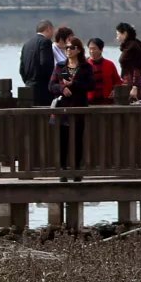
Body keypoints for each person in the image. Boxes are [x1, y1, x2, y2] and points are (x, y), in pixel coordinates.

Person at [50, 36, 96, 178]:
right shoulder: (61, 66)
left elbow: (91, 85)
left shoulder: (85, 67)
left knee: (77, 139)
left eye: (71, 48)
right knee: (62, 139)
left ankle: (77, 170)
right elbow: (51, 85)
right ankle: (62, 170)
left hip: (79, 106)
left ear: (78, 50)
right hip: (63, 107)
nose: (68, 50)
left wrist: (74, 84)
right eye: (66, 48)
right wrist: (62, 88)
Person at [20, 20, 55, 105]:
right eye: (52, 30)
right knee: (44, 116)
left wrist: (28, 82)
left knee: (31, 117)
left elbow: (22, 68)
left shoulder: (26, 44)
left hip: (28, 88)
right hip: (43, 88)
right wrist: (52, 82)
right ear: (48, 29)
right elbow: (46, 64)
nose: (53, 33)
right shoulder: (45, 42)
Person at [115, 22, 141, 98]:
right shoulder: (136, 43)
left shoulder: (132, 47)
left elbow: (137, 67)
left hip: (132, 82)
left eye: (118, 34)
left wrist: (135, 86)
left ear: (125, 34)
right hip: (131, 81)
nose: (117, 37)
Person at [85, 38, 121, 103]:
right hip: (89, 101)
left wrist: (114, 91)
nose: (91, 51)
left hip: (107, 100)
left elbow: (118, 82)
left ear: (101, 50)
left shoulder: (109, 64)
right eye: (90, 49)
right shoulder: (85, 65)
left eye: (94, 49)